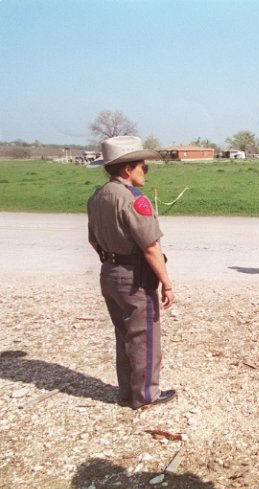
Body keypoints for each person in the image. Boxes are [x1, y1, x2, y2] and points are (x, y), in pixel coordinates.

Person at [87, 135, 177, 410]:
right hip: (133, 276)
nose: (145, 172)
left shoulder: (98, 196)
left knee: (124, 334)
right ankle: (146, 395)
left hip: (109, 272)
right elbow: (151, 247)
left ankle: (127, 391)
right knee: (144, 335)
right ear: (127, 169)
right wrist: (167, 283)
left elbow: (93, 240)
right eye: (143, 166)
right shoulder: (133, 199)